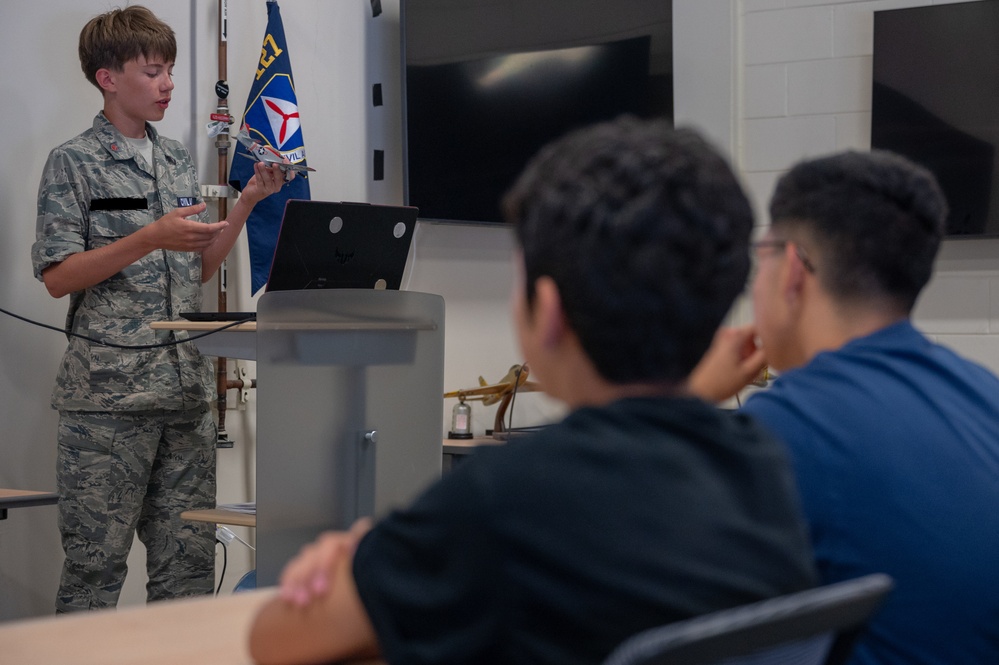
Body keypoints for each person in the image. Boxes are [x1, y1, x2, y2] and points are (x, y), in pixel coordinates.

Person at [247, 117, 816, 665]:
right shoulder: (765, 465)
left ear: (545, 313)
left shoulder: (506, 495)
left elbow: (277, 641)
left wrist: (355, 561)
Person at [690, 150, 999, 664]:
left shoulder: (780, 430)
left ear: (791, 269)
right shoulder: (984, 395)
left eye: (759, 256)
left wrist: (688, 399)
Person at [31, 6, 285, 612]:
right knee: (95, 572)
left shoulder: (175, 159)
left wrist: (247, 201)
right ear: (108, 77)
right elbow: (58, 277)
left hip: (185, 394)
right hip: (108, 402)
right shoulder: (73, 161)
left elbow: (193, 270)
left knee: (188, 574)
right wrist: (148, 235)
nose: (169, 83)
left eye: (170, 70)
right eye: (153, 71)